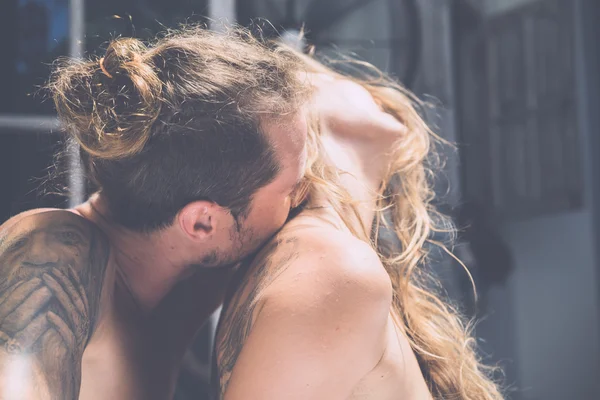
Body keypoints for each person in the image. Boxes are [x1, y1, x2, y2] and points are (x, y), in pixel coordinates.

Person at [0, 25, 501, 399]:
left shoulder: (183, 263)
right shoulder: (55, 254)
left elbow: (346, 112)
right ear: (202, 222)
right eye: (290, 187)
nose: (306, 190)